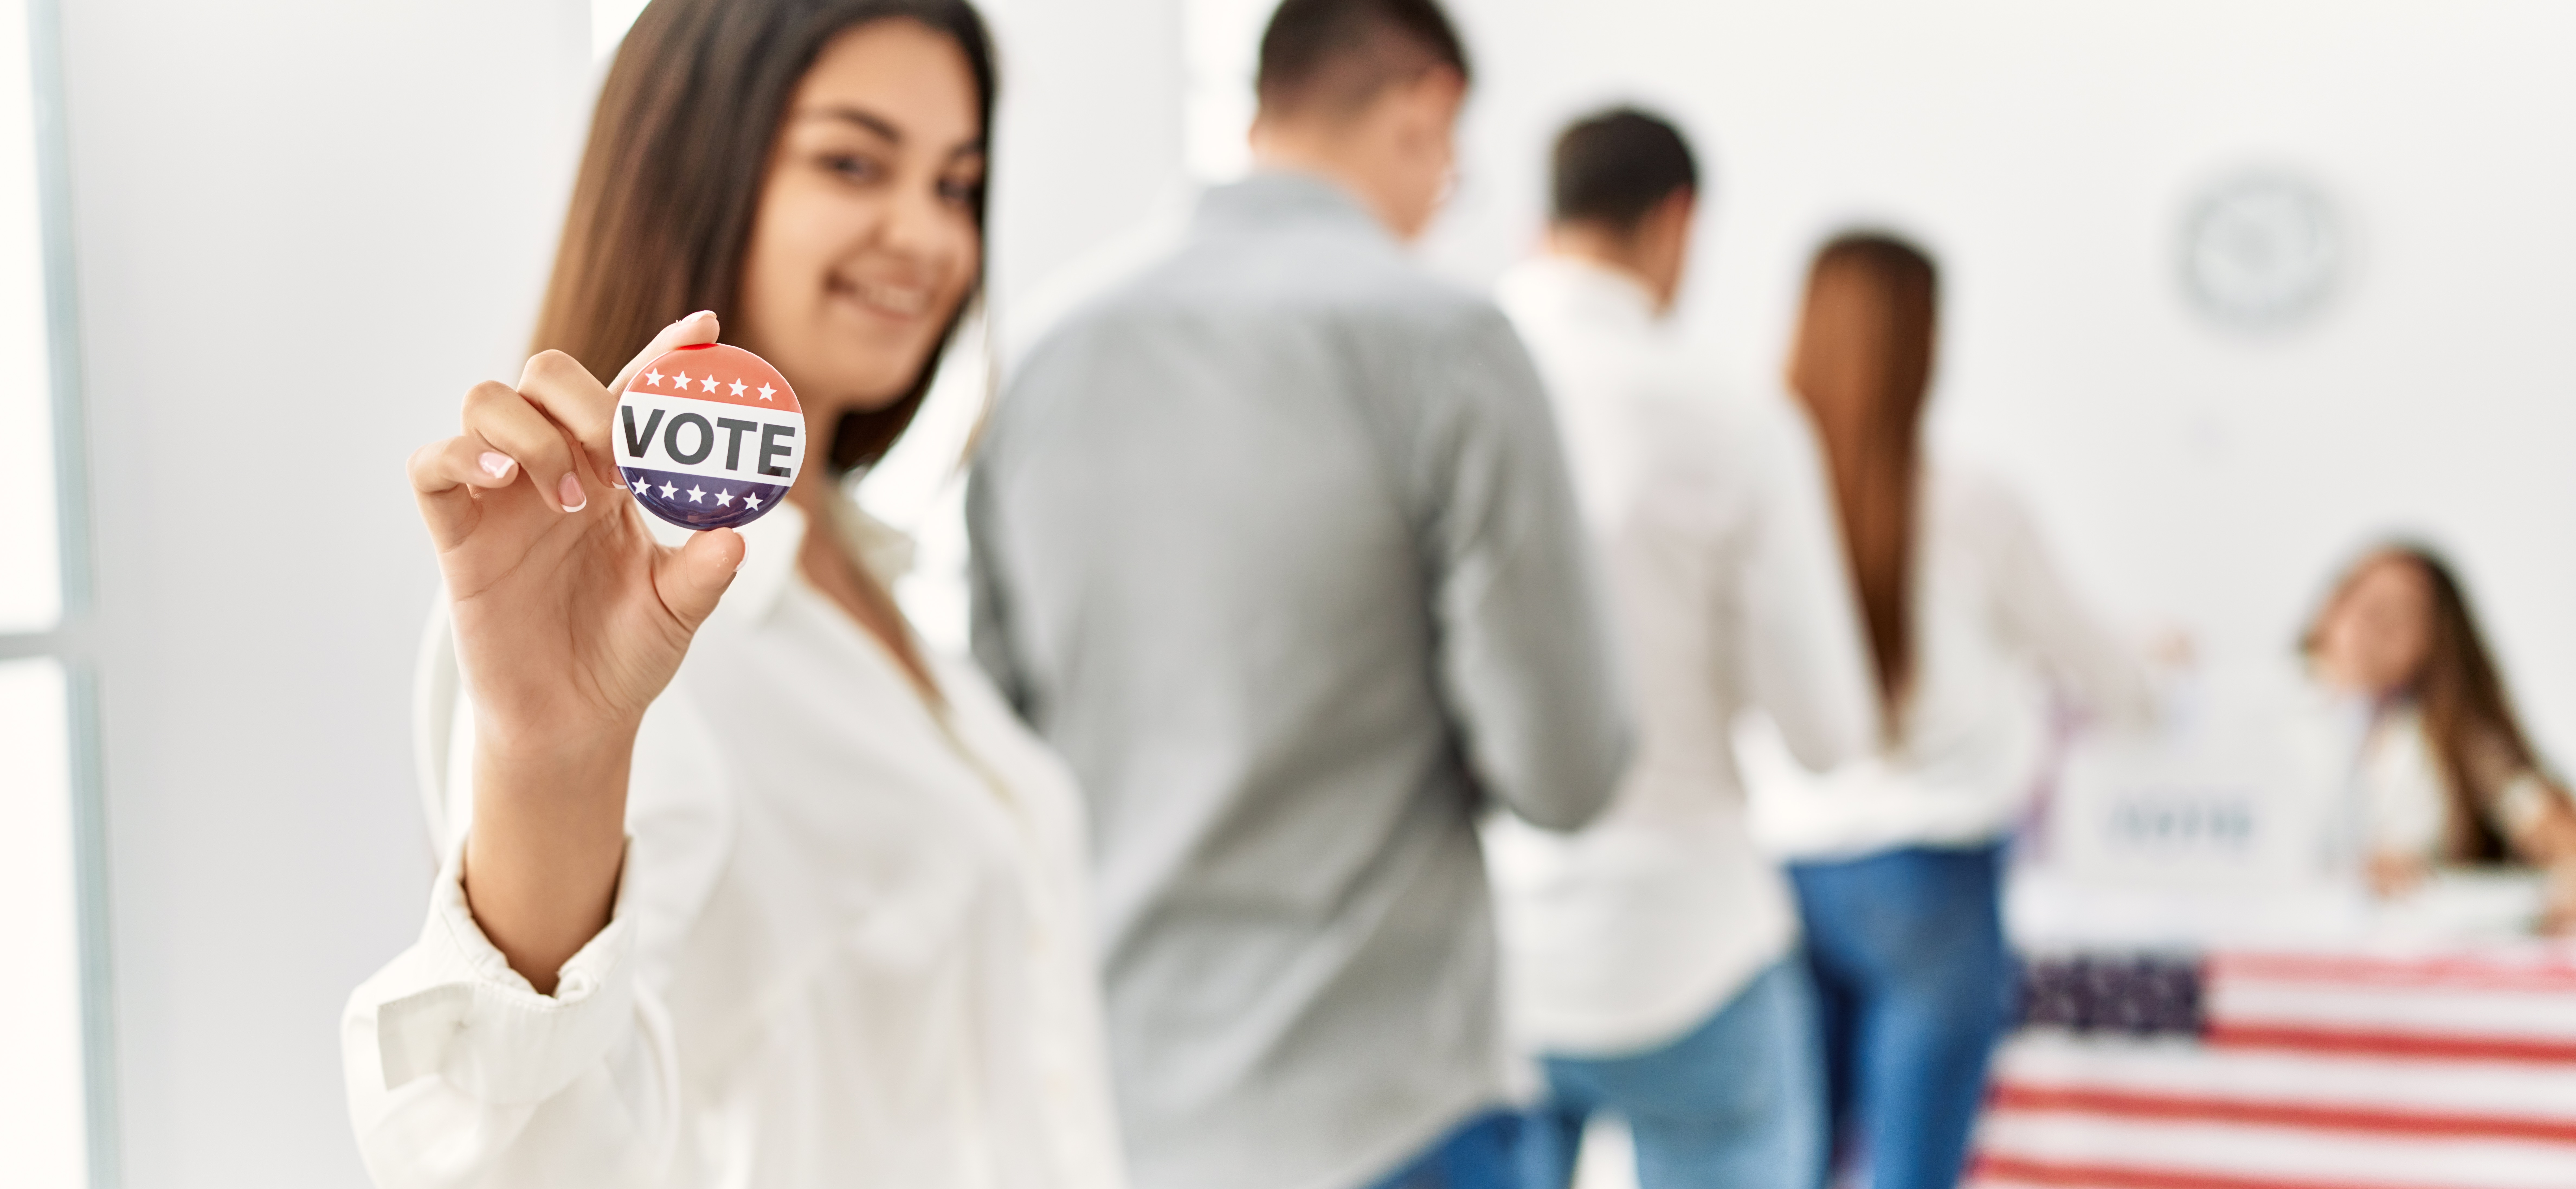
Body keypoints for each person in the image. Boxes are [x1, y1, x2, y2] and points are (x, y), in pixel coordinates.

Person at [340, 2, 1127, 1185]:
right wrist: (550, 761)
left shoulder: (850, 575)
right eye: (854, 162)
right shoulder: (628, 620)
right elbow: (522, 1158)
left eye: (956, 186)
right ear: (690, 166)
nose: (924, 234)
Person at [965, 1, 1628, 1186]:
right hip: (1393, 1110)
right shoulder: (1451, 344)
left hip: (1122, 1114)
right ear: (1425, 107)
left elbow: (999, 749)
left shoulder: (1048, 351)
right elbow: (1565, 774)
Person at [1481, 110, 1876, 1189]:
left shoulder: (1441, 391)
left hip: (1485, 955)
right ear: (1678, 223)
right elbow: (1828, 734)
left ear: (1536, 221)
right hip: (1685, 945)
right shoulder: (1732, 420)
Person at [1740, 233, 2156, 1189]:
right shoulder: (1974, 506)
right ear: (1928, 346)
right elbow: (2108, 681)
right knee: (1913, 1169)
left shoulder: (1757, 503)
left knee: (1785, 1162)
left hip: (1780, 868)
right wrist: (2148, 670)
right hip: (1933, 875)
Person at [2300, 543, 2576, 925]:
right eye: (2359, 600)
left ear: (2436, 640)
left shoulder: (2458, 740)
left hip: (2407, 942)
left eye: (2399, 612)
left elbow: (2555, 829)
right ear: (2327, 612)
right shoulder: (2259, 716)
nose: (2370, 622)